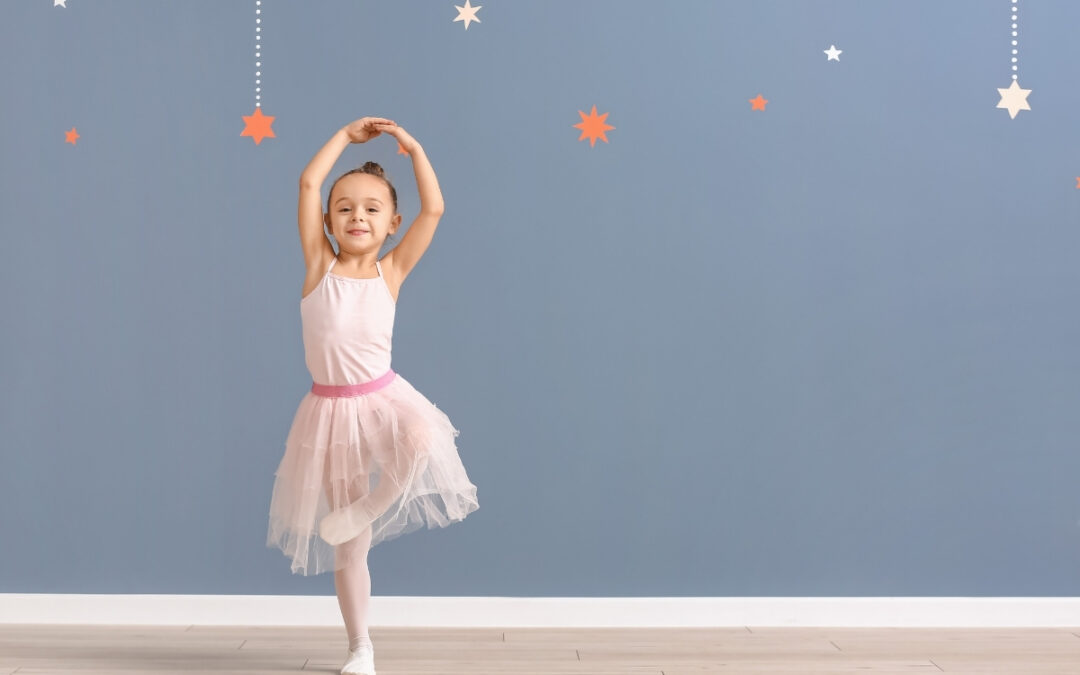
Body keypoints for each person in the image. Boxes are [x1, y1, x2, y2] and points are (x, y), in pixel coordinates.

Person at [266, 116, 479, 675]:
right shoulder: (319, 267)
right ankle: (361, 646)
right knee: (349, 546)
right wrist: (343, 137)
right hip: (330, 413)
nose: (357, 216)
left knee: (423, 436)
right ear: (328, 221)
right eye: (345, 208)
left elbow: (434, 209)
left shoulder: (391, 272)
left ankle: (375, 504)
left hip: (382, 398)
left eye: (370, 209)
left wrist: (412, 148)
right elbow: (308, 184)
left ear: (391, 222)